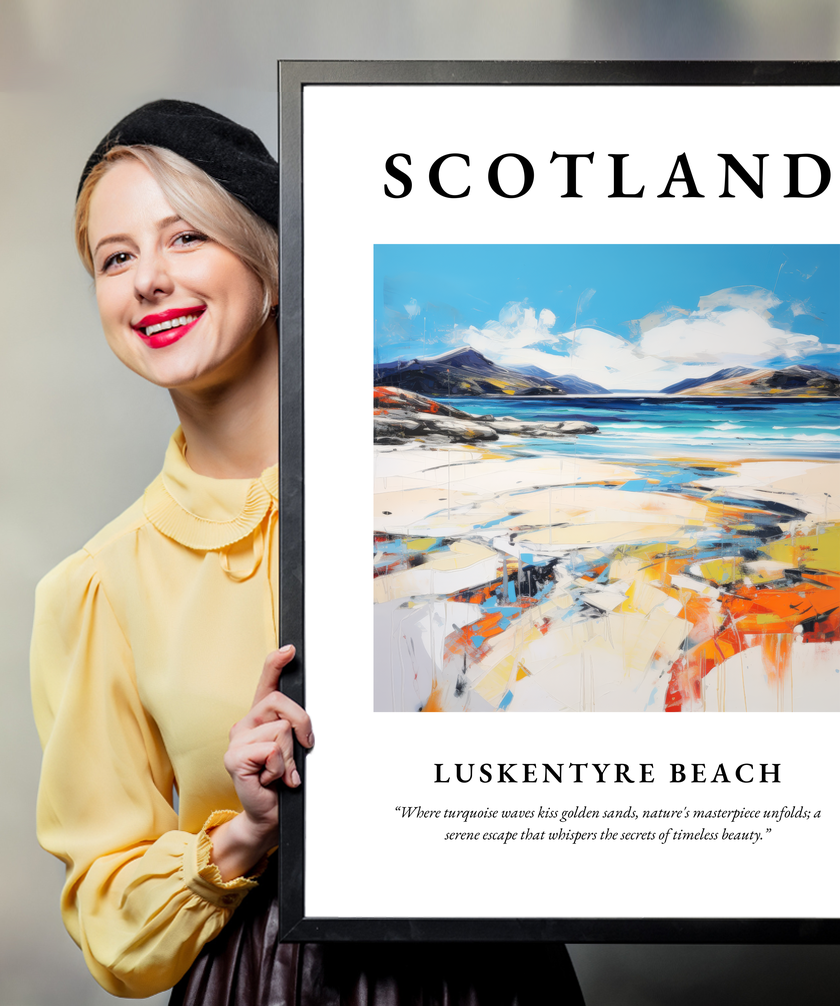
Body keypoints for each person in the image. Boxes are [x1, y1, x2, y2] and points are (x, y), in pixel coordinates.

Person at [30, 100, 585, 1004]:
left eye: (186, 239)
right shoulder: (97, 587)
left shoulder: (459, 493)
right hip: (263, 981)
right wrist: (245, 832)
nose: (148, 281)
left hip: (493, 973)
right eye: (116, 257)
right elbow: (110, 924)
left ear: (273, 264)